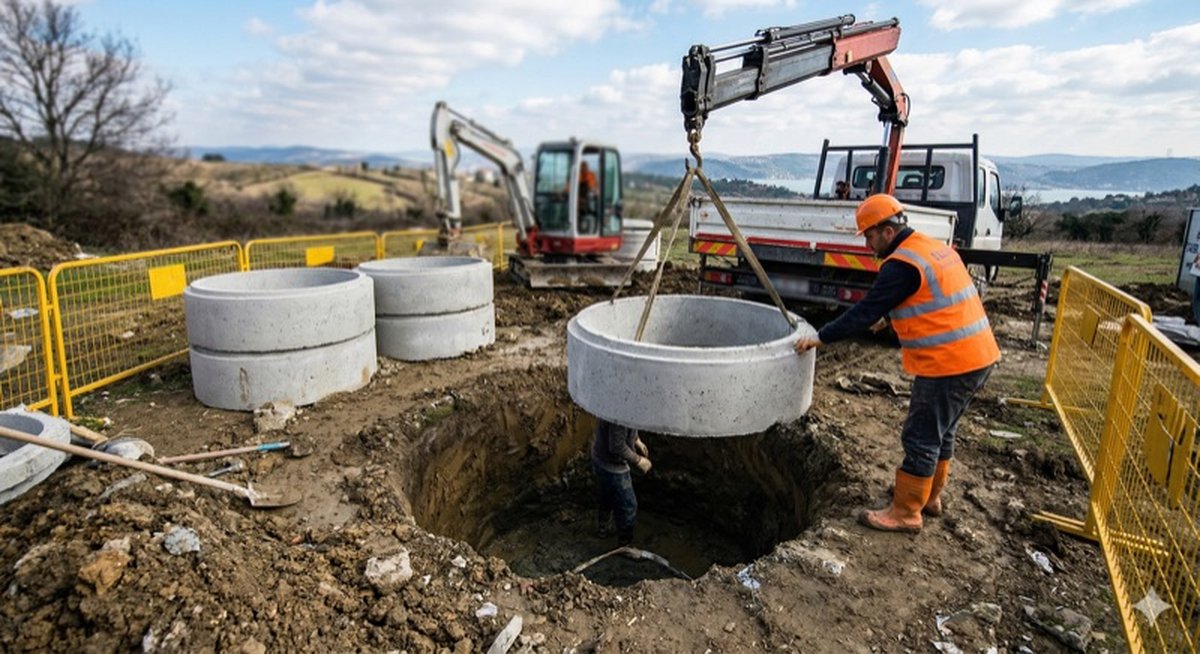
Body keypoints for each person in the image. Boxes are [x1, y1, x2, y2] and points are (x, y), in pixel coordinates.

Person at [793, 194, 1000, 534]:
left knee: (920, 434)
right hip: (978, 357)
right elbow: (930, 297)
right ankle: (928, 497)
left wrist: (821, 336)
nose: (868, 244)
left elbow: (864, 311)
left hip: (949, 362)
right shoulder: (931, 248)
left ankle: (905, 512)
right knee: (942, 431)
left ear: (887, 231)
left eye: (870, 236)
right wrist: (890, 318)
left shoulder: (900, 264)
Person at [591, 417, 652, 545]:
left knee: (607, 494)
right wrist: (638, 460)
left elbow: (629, 424)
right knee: (629, 506)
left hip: (601, 458)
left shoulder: (624, 404)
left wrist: (637, 440)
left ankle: (603, 527)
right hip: (612, 466)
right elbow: (617, 446)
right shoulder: (619, 416)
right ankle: (625, 545)